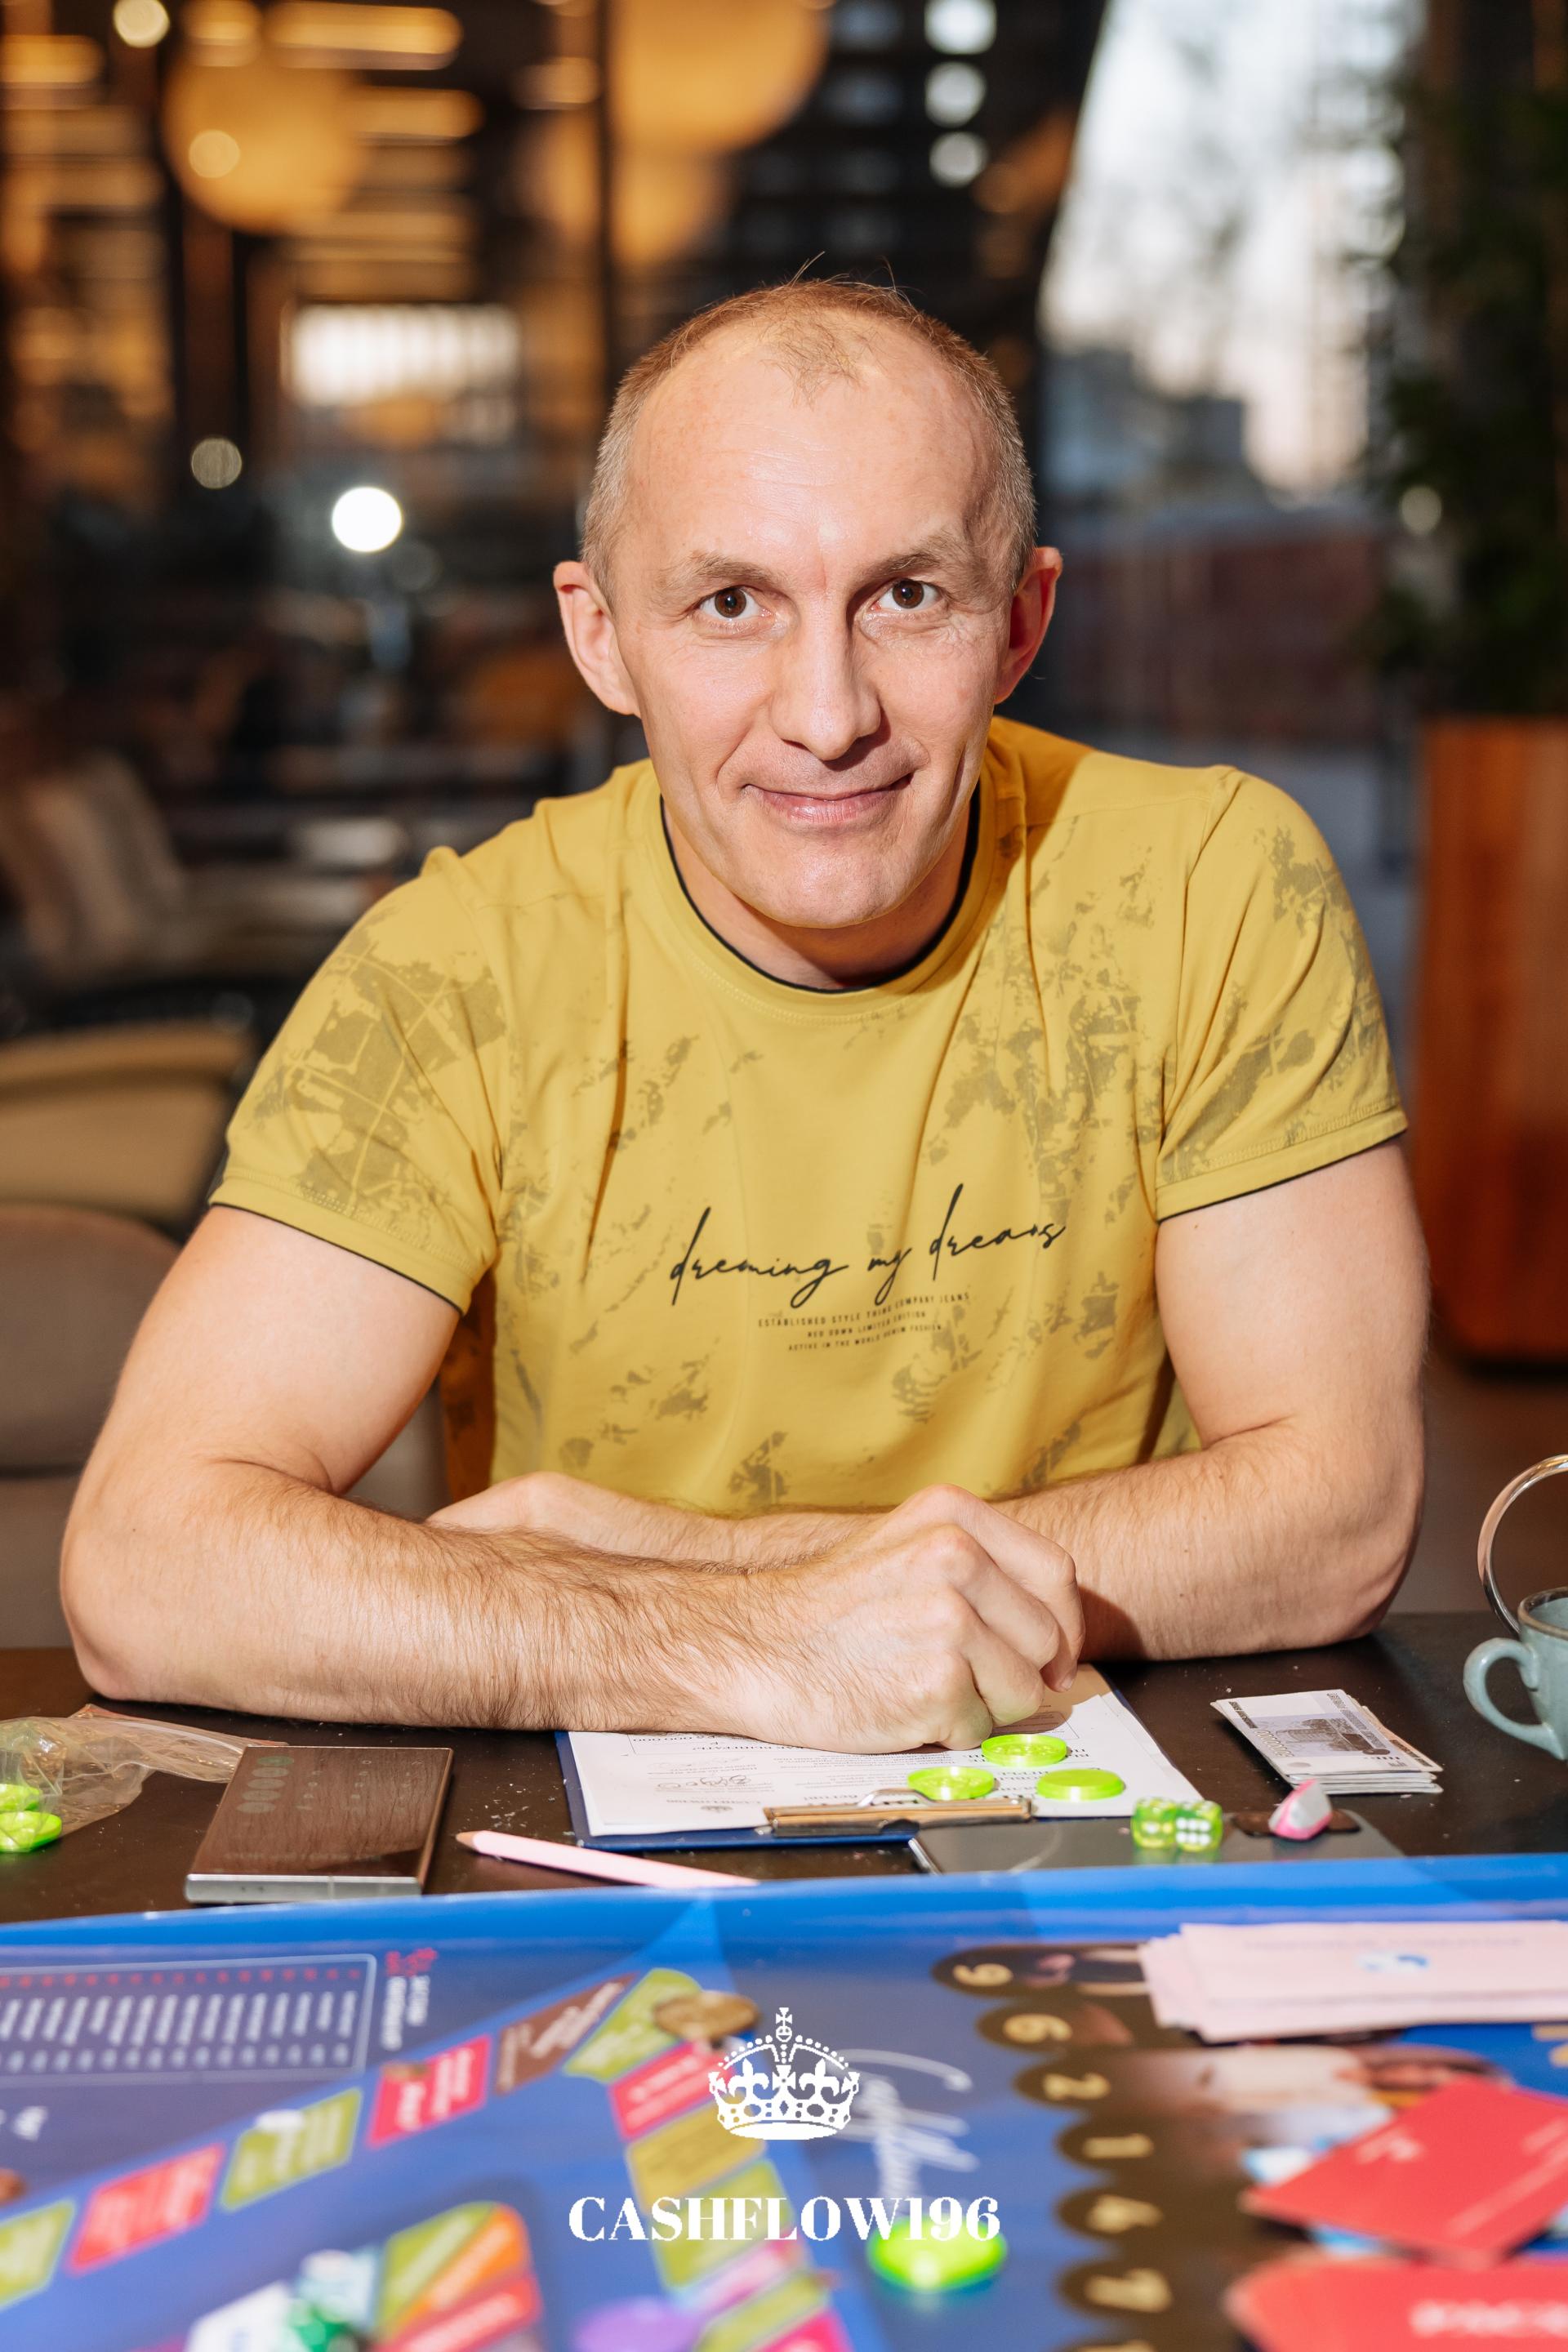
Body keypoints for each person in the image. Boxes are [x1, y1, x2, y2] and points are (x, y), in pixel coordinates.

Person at [64, 280, 1426, 1748]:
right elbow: (147, 1563)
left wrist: (694, 1568)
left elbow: (1341, 1513)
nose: (828, 716)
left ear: (1022, 621)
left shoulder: (1210, 882)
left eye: (908, 597)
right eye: (731, 605)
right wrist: (753, 1640)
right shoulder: (454, 973)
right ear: (600, 638)